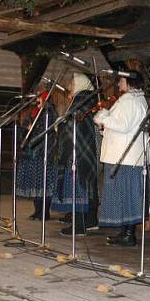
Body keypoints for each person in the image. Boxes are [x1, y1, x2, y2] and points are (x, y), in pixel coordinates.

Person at [94, 72, 149, 247]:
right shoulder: (134, 99)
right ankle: (126, 232)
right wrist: (106, 128)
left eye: (122, 80)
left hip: (125, 156)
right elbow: (126, 126)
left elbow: (123, 126)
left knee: (126, 194)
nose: (118, 84)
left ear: (130, 81)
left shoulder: (130, 101)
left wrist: (103, 117)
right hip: (126, 155)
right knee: (126, 195)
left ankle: (129, 234)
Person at [52, 72, 99, 236]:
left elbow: (73, 125)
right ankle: (89, 220)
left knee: (79, 187)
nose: (70, 88)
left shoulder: (82, 100)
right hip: (83, 149)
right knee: (86, 186)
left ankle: (79, 225)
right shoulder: (88, 99)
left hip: (78, 152)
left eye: (72, 85)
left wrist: (61, 125)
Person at [15, 90, 57, 220]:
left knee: (43, 183)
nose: (37, 99)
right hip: (31, 153)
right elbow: (25, 127)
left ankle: (45, 212)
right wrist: (25, 128)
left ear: (45, 98)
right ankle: (37, 210)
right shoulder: (33, 112)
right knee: (35, 184)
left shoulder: (49, 113)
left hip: (43, 152)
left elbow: (45, 132)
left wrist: (30, 128)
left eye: (39, 97)